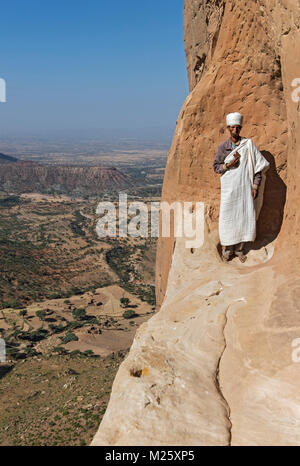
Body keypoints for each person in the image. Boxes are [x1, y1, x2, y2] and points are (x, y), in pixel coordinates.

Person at [213, 112, 270, 262]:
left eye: (238, 127)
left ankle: (239, 250)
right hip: (229, 190)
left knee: (244, 217)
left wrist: (255, 186)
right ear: (228, 129)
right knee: (229, 218)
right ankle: (228, 249)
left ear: (240, 128)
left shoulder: (248, 145)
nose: (235, 130)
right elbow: (216, 167)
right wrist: (227, 165)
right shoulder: (223, 148)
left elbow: (258, 167)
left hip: (245, 189)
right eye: (232, 128)